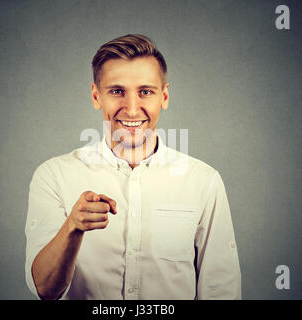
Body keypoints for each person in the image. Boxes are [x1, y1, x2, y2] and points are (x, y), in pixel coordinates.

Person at [25, 34, 241, 300]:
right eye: (116, 91)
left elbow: (221, 291)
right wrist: (72, 226)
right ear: (96, 96)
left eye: (145, 92)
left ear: (164, 96)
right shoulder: (53, 176)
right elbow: (45, 291)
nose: (131, 108)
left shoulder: (204, 181)